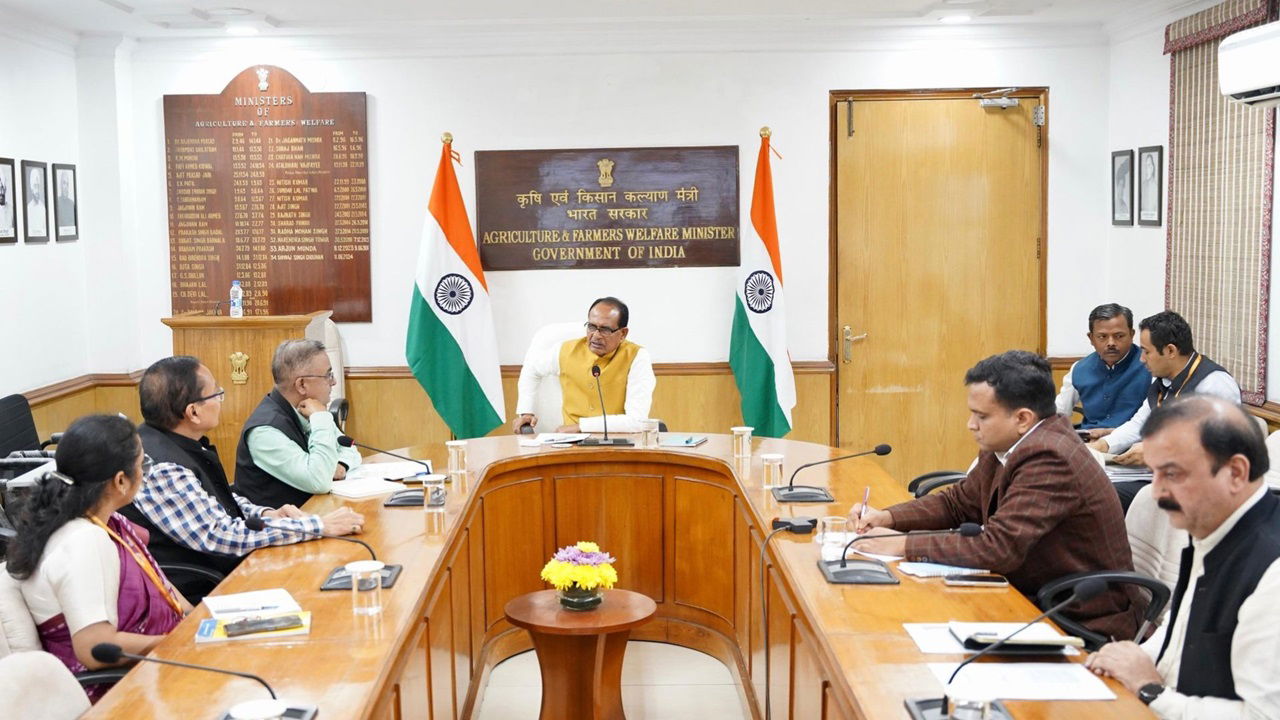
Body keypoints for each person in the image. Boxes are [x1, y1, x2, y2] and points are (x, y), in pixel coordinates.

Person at [850, 351, 1145, 640]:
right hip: (1029, 597)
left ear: (1022, 418)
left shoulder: (1050, 457)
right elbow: (958, 504)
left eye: (981, 416)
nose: (971, 424)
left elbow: (999, 547)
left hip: (1077, 618)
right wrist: (887, 516)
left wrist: (902, 544)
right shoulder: (1009, 443)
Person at [1086, 395, 1279, 718]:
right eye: (1154, 472)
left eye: (1172, 475)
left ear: (1235, 472)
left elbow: (1263, 716)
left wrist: (1150, 690)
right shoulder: (1213, 534)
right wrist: (1126, 658)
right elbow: (1181, 639)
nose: (1157, 491)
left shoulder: (1271, 570)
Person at [121, 356, 364, 596]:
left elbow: (218, 500)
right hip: (205, 589)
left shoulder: (181, 443)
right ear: (193, 412)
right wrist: (318, 525)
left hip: (233, 567)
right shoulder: (161, 466)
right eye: (216, 394)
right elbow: (219, 534)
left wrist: (267, 514)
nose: (220, 400)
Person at [5, 414, 192, 700]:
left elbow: (167, 593)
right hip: (115, 693)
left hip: (156, 667)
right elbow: (95, 649)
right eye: (142, 465)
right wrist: (176, 644)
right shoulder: (83, 541)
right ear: (120, 480)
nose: (145, 473)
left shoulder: (107, 523)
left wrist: (202, 625)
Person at [1089, 310, 1240, 510]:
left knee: (1100, 495)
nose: (1142, 359)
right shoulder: (1163, 379)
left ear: (1170, 351)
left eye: (1146, 351)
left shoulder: (1214, 385)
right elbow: (1139, 424)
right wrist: (1101, 446)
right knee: (1090, 484)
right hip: (1163, 475)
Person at [235, 339, 362, 508]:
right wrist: (321, 419)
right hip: (280, 529)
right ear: (301, 384)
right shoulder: (264, 431)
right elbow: (318, 481)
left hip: (316, 516)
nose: (333, 382)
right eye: (328, 375)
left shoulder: (311, 409)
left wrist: (341, 464)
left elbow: (349, 448)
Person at [512, 296, 656, 434]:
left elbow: (637, 421)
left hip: (618, 440)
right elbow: (531, 369)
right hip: (571, 442)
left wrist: (581, 426)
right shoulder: (565, 351)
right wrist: (526, 411)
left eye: (605, 330)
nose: (596, 335)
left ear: (623, 333)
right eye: (592, 327)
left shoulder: (637, 357)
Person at [1054, 303, 1151, 438]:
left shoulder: (1150, 365)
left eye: (1119, 336)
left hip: (1132, 444)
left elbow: (1158, 421)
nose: (1111, 343)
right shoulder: (1079, 369)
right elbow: (1058, 412)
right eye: (1102, 337)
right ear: (1091, 338)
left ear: (1132, 334)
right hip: (1088, 442)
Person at [25, 166, 46, 237]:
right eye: (35, 186)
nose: (37, 190)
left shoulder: (43, 208)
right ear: (31, 188)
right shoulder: (28, 208)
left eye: (38, 186)